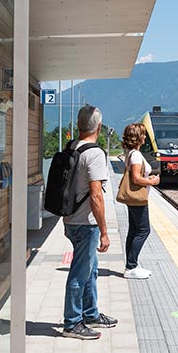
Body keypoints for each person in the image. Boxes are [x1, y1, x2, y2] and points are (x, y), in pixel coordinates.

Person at [62, 105, 116, 339]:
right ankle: (72, 323)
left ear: (79, 125)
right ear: (99, 127)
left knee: (90, 270)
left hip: (71, 219)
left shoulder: (72, 147)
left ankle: (90, 313)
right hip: (86, 223)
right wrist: (104, 231)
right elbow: (96, 196)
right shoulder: (94, 154)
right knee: (80, 273)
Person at [121, 123, 160, 279]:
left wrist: (147, 178)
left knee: (134, 230)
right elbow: (136, 178)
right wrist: (152, 181)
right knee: (144, 230)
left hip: (134, 199)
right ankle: (131, 266)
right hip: (138, 199)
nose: (145, 137)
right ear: (138, 137)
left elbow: (137, 176)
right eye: (143, 134)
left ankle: (132, 265)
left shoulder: (131, 153)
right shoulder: (136, 155)